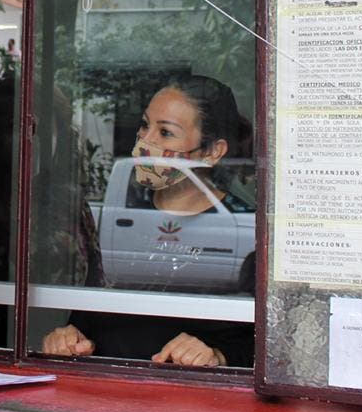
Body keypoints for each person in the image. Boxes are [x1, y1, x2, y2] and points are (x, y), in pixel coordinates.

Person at [41, 74, 253, 367]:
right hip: (107, 382)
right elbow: (91, 310)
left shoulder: (244, 225)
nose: (146, 141)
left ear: (211, 152)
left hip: (188, 391)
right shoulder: (122, 217)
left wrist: (217, 355)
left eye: (165, 132)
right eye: (144, 125)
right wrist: (69, 336)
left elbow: (262, 341)